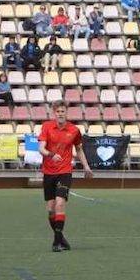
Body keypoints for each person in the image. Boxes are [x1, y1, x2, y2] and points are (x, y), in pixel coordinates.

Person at [38, 100, 94, 252]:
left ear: (66, 112)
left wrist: (86, 167)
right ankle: (61, 237)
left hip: (65, 171)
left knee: (60, 203)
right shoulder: (46, 127)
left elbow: (79, 149)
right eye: (58, 112)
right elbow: (40, 148)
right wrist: (51, 155)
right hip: (49, 172)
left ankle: (56, 243)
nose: (60, 114)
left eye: (63, 111)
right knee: (51, 210)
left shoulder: (74, 130)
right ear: (54, 113)